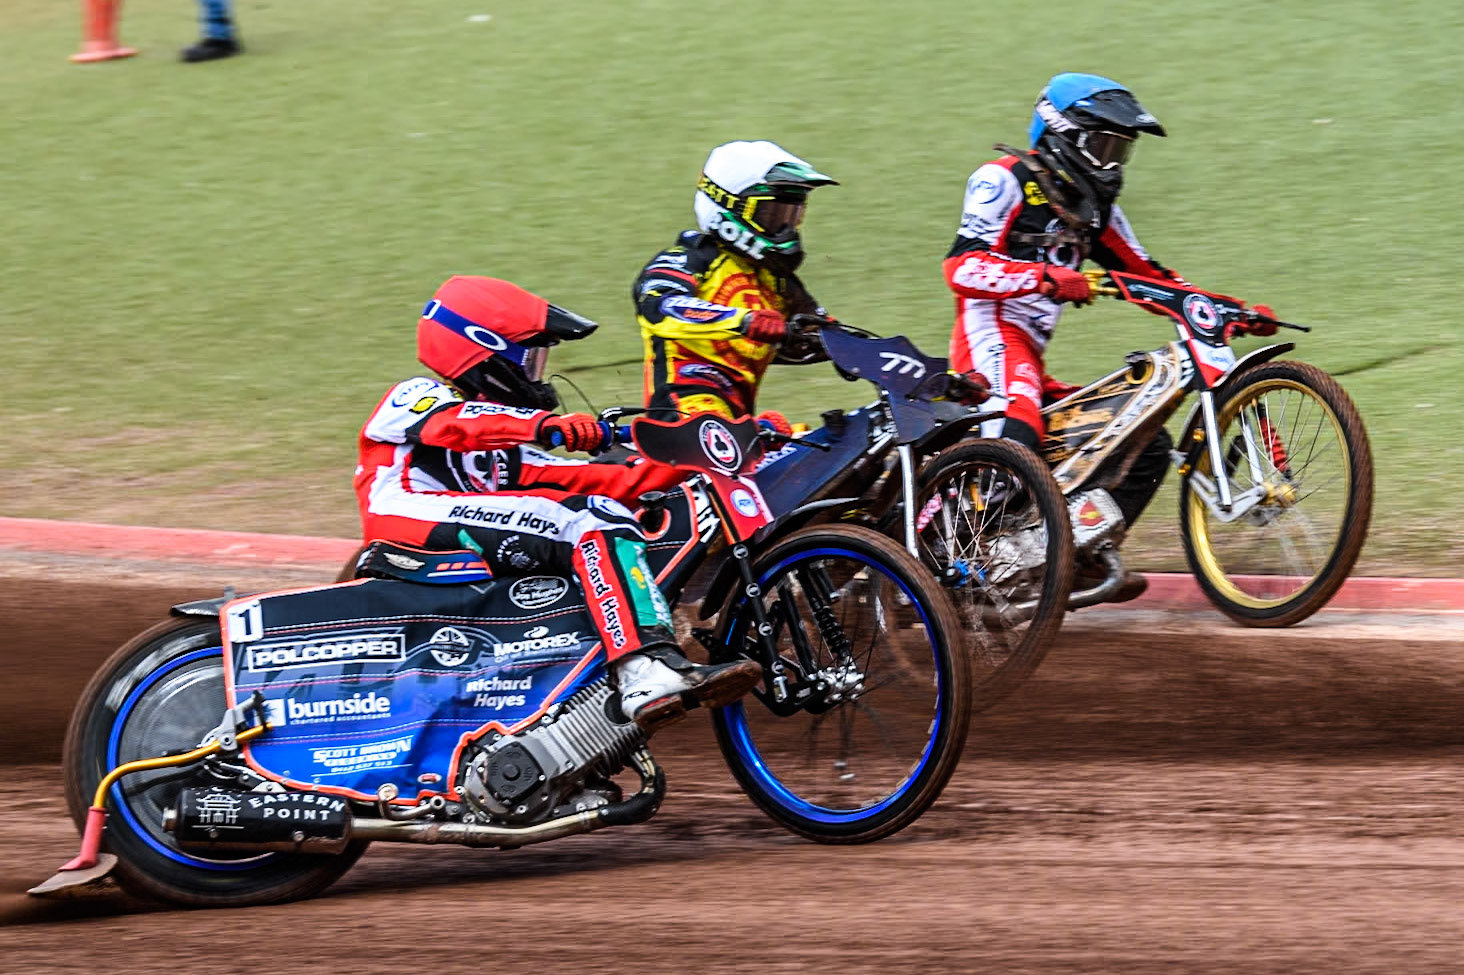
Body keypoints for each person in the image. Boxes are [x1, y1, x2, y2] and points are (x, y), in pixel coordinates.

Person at [355, 275, 762, 729]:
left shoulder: (507, 453)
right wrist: (550, 426)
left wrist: (720, 447)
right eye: (529, 359)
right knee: (587, 520)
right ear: (482, 352)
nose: (538, 375)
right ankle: (643, 671)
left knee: (606, 507)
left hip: (460, 538)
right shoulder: (415, 395)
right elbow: (458, 425)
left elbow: (607, 478)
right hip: (404, 514)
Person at [943, 72, 1277, 595]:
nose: (1114, 162)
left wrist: (1221, 308)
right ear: (1064, 135)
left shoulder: (1099, 213)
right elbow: (960, 270)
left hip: (1031, 353)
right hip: (990, 338)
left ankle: (1073, 555)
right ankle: (963, 550)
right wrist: (1046, 277)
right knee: (1019, 420)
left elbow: (1151, 277)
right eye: (1104, 145)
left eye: (1122, 149)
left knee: (1143, 443)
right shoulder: (1001, 178)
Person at [632, 140, 838, 431]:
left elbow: (822, 331)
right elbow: (660, 307)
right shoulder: (687, 258)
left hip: (739, 423)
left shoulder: (777, 281)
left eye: (792, 216)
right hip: (683, 419)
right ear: (727, 205)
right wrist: (745, 321)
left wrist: (867, 353)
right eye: (773, 215)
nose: (785, 229)